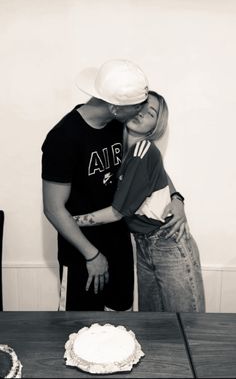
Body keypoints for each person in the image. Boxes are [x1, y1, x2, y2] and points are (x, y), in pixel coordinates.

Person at [41, 59, 188, 311]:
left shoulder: (117, 124)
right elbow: (53, 208)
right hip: (83, 255)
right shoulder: (63, 139)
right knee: (81, 330)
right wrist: (92, 255)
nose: (142, 111)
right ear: (115, 107)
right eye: (138, 106)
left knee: (120, 325)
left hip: (119, 245)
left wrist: (176, 197)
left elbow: (152, 169)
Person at [73, 91, 205, 312]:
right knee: (152, 325)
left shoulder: (143, 150)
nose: (142, 113)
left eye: (151, 112)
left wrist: (70, 221)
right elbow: (158, 175)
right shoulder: (118, 142)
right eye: (141, 106)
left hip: (168, 241)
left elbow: (117, 212)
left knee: (187, 325)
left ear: (156, 126)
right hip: (143, 244)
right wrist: (176, 197)